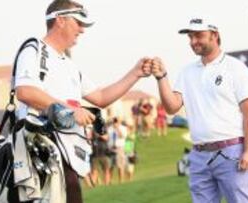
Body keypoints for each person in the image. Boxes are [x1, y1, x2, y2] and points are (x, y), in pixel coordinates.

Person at [13, 0, 151, 202]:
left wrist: (135, 73)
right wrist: (69, 109)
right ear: (60, 20)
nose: (82, 30)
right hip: (39, 154)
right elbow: (25, 91)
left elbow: (101, 98)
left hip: (66, 155)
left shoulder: (69, 66)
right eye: (78, 22)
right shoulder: (34, 48)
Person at [151, 17, 248, 203]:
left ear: (214, 35)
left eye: (199, 35)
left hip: (231, 152)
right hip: (199, 155)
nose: (193, 41)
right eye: (190, 37)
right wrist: (162, 78)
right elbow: (171, 107)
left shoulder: (235, 67)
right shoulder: (187, 72)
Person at [107, 117, 128, 184]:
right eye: (114, 121)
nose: (115, 122)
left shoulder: (123, 128)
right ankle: (109, 181)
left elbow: (122, 136)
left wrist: (117, 128)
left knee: (120, 165)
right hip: (111, 148)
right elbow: (108, 138)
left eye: (116, 121)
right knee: (111, 165)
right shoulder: (110, 128)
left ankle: (121, 181)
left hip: (119, 148)